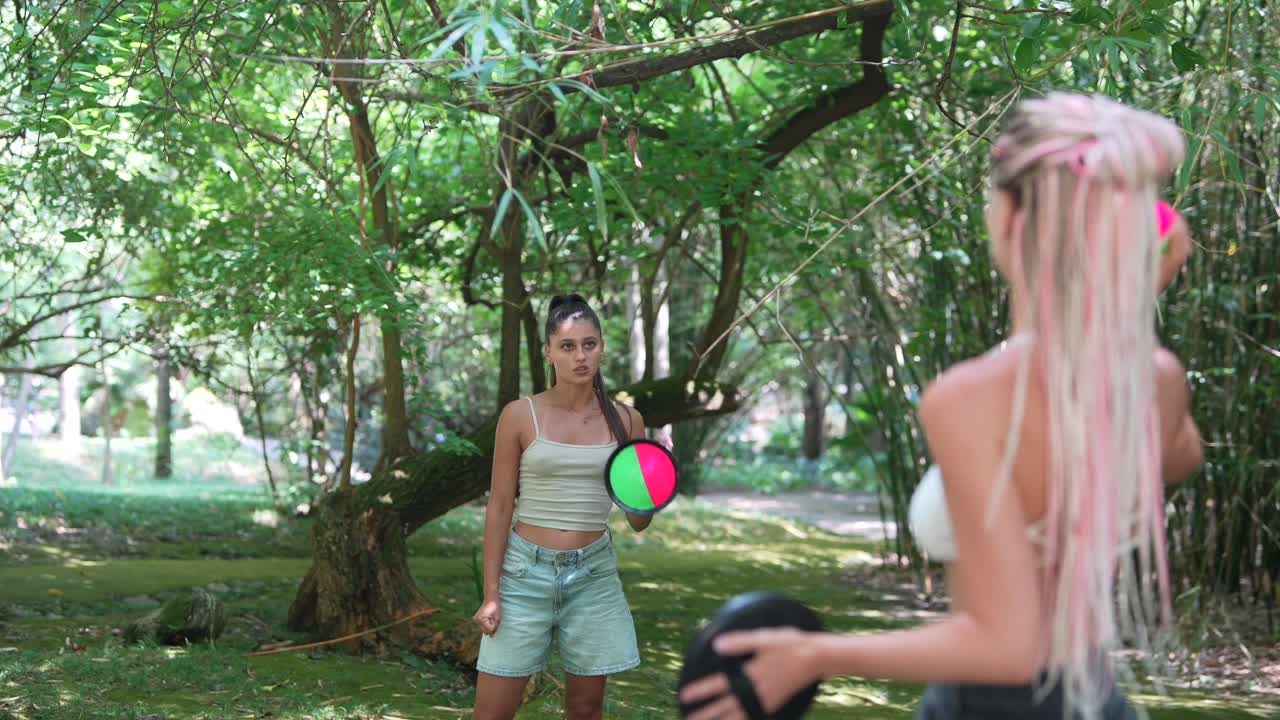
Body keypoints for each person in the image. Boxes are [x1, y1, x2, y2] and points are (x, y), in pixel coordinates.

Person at [678, 92, 1205, 720]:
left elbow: (1010, 647)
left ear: (1008, 215)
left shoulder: (973, 398)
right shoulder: (1154, 375)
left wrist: (814, 656)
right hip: (1094, 700)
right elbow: (1179, 458)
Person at [472, 293, 651, 720]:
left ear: (602, 348)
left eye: (589, 344)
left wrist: (651, 479)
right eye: (568, 347)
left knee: (586, 710)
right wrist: (491, 594)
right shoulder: (519, 415)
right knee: (492, 713)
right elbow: (499, 507)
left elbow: (638, 520)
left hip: (593, 575)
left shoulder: (627, 421)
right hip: (523, 575)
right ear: (549, 352)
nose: (580, 356)